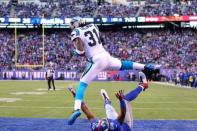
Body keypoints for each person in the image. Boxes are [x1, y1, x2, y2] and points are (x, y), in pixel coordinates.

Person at [68, 16, 160, 124]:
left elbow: (81, 51)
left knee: (82, 84)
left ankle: (76, 109)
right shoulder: (93, 25)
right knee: (122, 65)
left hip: (96, 59)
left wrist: (76, 51)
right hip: (105, 55)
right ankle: (145, 66)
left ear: (75, 25)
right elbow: (99, 41)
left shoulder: (76, 31)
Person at [68, 71, 148, 130]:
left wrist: (75, 96)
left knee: (108, 108)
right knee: (125, 99)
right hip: (125, 125)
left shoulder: (95, 126)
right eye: (104, 122)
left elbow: (85, 109)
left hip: (115, 122)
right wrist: (121, 100)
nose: (103, 120)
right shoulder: (114, 126)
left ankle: (107, 102)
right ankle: (142, 86)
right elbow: (122, 114)